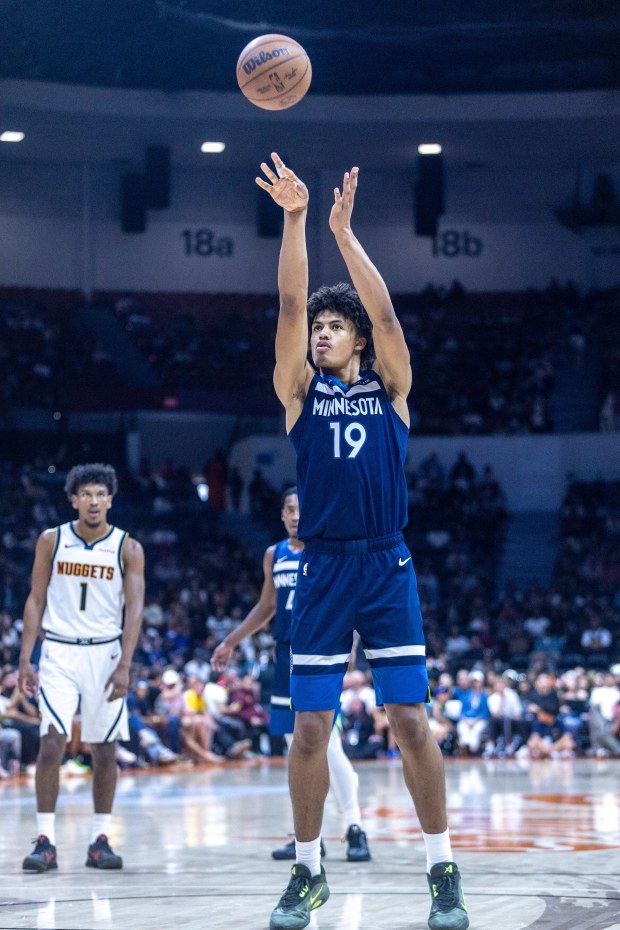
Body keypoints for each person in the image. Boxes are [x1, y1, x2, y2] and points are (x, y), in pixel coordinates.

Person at [254, 153, 468, 930]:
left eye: (334, 326)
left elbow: (388, 319)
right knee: (310, 727)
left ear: (358, 343)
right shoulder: (299, 396)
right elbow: (288, 302)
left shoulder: (392, 389)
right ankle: (308, 872)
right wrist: (297, 219)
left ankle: (442, 869)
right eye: (319, 327)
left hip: (385, 563)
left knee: (409, 722)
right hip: (323, 567)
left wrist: (344, 235)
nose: (321, 332)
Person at [212, 488, 371, 862]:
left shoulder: (328, 549)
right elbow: (266, 606)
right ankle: (309, 836)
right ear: (282, 515)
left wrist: (351, 642)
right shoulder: (274, 554)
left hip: (321, 650)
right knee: (295, 749)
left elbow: (349, 599)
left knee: (328, 745)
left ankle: (354, 827)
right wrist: (231, 641)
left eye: (302, 509)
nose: (297, 516)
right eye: (290, 510)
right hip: (285, 655)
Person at [17, 463, 145, 872]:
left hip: (105, 654)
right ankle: (45, 841)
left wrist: (125, 664)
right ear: (73, 499)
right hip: (59, 650)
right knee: (51, 742)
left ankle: (100, 839)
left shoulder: (128, 547)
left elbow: (135, 610)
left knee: (105, 749)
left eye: (100, 494)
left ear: (111, 500)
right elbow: (36, 599)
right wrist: (25, 657)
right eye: (86, 494)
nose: (93, 501)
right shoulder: (51, 540)